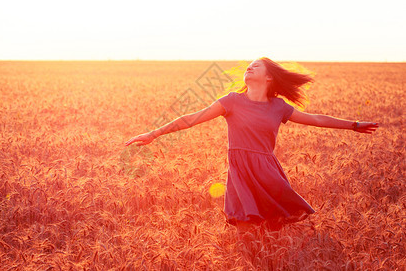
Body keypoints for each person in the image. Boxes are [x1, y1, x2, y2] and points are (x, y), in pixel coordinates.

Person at [124, 57, 379, 233]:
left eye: (255, 67)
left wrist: (353, 124)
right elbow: (191, 119)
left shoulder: (278, 107)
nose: (249, 69)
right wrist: (153, 134)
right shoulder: (231, 101)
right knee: (244, 229)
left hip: (267, 171)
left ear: (269, 78)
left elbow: (315, 119)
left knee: (274, 229)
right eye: (248, 66)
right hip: (240, 172)